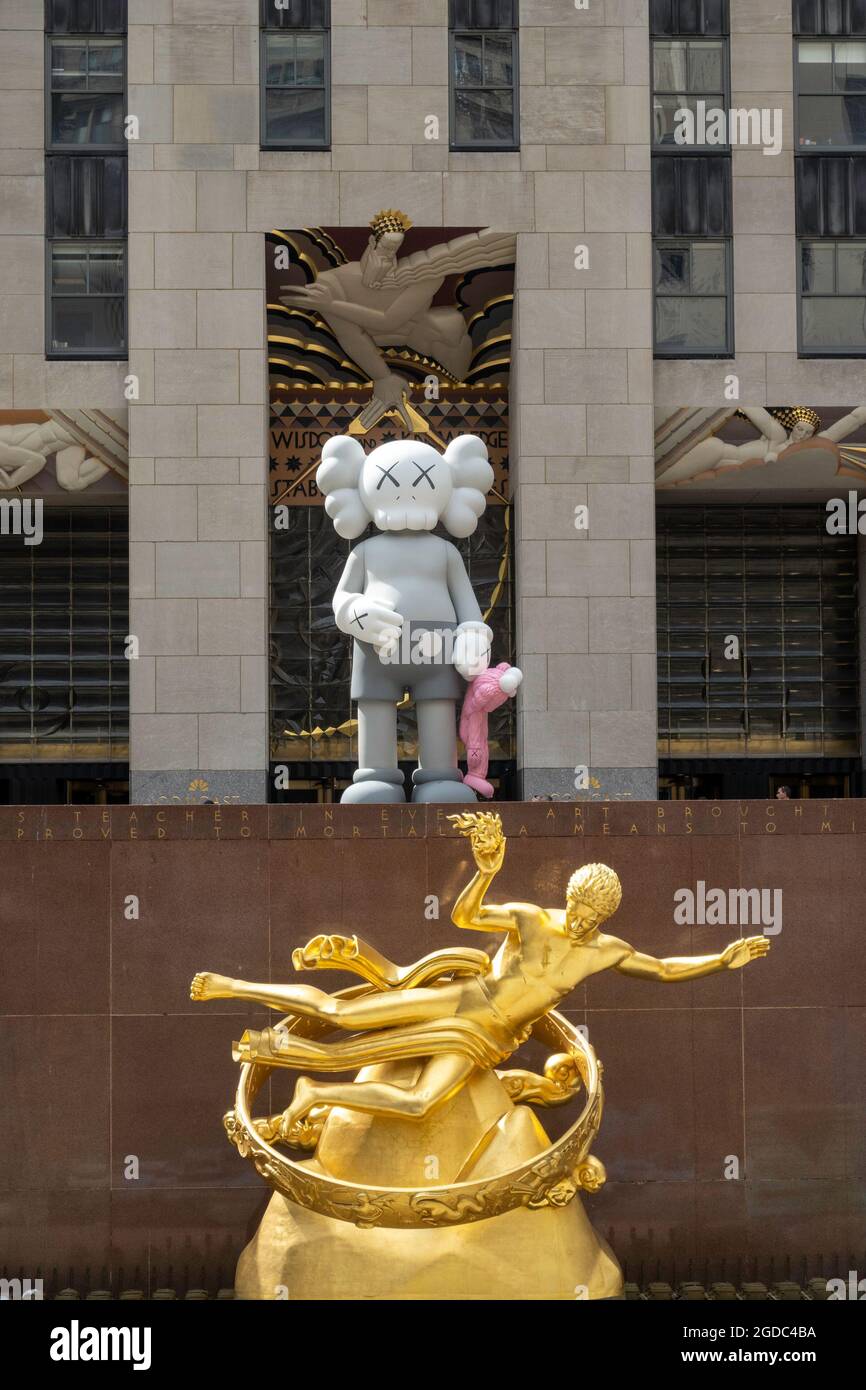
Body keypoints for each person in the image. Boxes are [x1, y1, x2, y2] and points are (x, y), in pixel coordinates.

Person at [190, 812, 770, 1142]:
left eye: (596, 917)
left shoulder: (606, 950)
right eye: (581, 910)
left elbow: (664, 969)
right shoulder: (531, 919)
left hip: (486, 1040)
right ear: (568, 898)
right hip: (463, 1000)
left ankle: (314, 1091)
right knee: (341, 1014)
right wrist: (486, 872)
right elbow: (465, 916)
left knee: (420, 1103)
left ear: (607, 917)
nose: (584, 921)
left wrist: (722, 959)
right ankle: (232, 986)